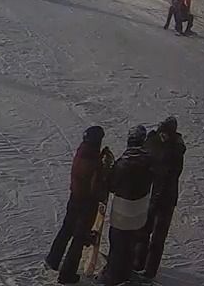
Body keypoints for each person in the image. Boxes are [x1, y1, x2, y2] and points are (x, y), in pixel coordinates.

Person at [46, 125, 110, 284]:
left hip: (74, 198)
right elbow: (95, 186)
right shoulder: (93, 161)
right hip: (86, 204)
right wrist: (104, 172)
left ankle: (53, 259)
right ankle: (67, 275)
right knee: (79, 238)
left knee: (67, 229)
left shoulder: (82, 151)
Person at [135, 117, 184, 278]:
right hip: (151, 195)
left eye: (166, 134)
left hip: (165, 199)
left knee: (158, 237)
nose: (163, 136)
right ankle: (138, 262)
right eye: (161, 132)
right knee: (143, 231)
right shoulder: (154, 140)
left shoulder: (176, 150)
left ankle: (149, 272)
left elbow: (170, 174)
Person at [107, 126, 153, 286]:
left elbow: (112, 186)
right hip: (140, 211)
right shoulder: (149, 161)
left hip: (122, 211)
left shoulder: (122, 163)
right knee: (131, 243)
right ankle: (126, 272)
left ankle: (113, 277)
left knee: (117, 243)